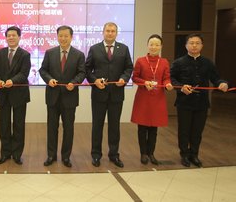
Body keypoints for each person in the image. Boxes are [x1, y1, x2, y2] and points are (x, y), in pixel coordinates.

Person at [170, 33, 228, 168]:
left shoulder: (208, 63)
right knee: (184, 131)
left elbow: (216, 78)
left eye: (197, 43)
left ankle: (194, 154)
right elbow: (172, 79)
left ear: (202, 45)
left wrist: (222, 83)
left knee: (197, 131)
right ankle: (184, 155)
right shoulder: (178, 62)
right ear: (186, 45)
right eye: (191, 43)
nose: (194, 45)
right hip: (184, 102)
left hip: (201, 103)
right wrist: (181, 87)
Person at [85, 22, 133, 168]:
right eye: (108, 31)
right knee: (97, 125)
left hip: (117, 94)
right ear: (103, 32)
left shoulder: (123, 49)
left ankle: (114, 155)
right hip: (99, 94)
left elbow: (128, 67)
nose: (110, 33)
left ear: (116, 33)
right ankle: (96, 155)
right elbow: (87, 70)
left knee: (114, 126)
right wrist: (95, 80)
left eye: (113, 31)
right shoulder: (94, 49)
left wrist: (124, 79)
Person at [39, 25, 86, 168]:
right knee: (52, 128)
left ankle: (66, 157)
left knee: (68, 128)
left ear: (71, 37)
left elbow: (82, 73)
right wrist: (49, 80)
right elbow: (43, 70)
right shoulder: (50, 52)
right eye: (61, 35)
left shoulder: (79, 55)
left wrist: (74, 82)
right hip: (53, 97)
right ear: (57, 36)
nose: (63, 38)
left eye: (66, 36)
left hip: (70, 97)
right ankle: (51, 155)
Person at [130, 34, 173, 165]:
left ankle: (151, 153)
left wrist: (168, 84)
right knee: (142, 128)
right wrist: (144, 82)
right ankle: (143, 153)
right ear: (147, 45)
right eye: (151, 44)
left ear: (161, 46)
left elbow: (166, 77)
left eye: (157, 44)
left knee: (154, 128)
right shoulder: (140, 61)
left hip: (158, 98)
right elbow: (135, 77)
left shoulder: (164, 62)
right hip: (143, 98)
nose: (154, 47)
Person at [0, 26, 31, 165]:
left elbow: (24, 73)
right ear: (6, 37)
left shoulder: (25, 55)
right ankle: (5, 153)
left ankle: (17, 154)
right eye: (9, 35)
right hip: (3, 94)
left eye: (14, 35)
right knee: (4, 125)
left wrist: (12, 81)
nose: (11, 37)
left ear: (19, 37)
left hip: (19, 95)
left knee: (19, 126)